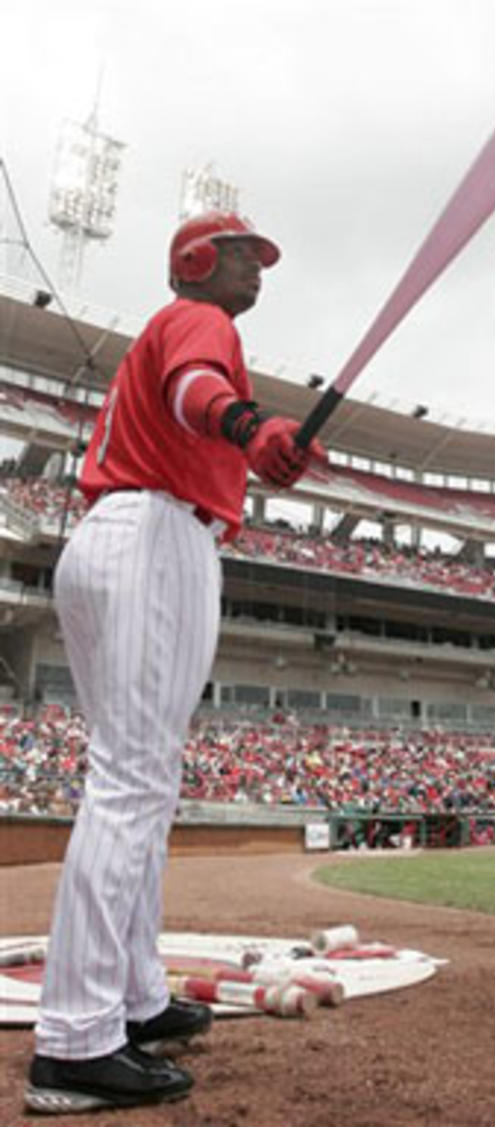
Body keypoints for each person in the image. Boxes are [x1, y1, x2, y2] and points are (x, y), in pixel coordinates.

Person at [25, 210, 325, 1114]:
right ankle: (75, 1041)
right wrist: (249, 424)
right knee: (131, 782)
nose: (258, 270)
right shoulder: (201, 321)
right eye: (245, 254)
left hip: (122, 536)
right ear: (198, 261)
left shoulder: (179, 328)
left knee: (142, 779)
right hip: (154, 533)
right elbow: (199, 389)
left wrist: (244, 432)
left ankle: (133, 998)